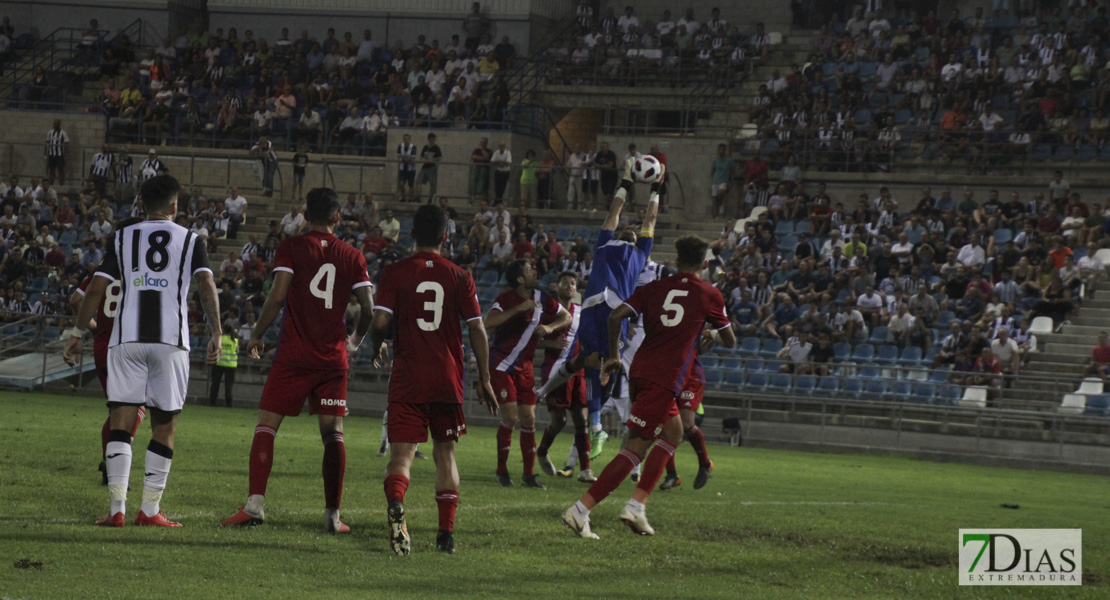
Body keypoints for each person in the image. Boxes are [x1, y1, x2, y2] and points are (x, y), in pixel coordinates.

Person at [65, 175, 222, 527]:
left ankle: (116, 509)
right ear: (175, 206)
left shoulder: (122, 237)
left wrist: (78, 331)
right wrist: (217, 331)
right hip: (171, 343)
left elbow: (95, 290)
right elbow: (206, 283)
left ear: (141, 205)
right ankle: (149, 510)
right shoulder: (191, 239)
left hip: (126, 341)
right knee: (163, 427)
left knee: (121, 423)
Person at [562, 236, 736, 538]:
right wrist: (710, 332)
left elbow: (616, 315)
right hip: (664, 377)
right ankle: (582, 510)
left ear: (676, 262)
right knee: (636, 448)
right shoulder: (709, 294)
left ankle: (637, 505)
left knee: (673, 432)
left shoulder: (653, 288)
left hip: (641, 369)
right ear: (705, 264)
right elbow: (730, 339)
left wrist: (615, 356)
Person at [222, 188, 373, 534]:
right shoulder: (353, 255)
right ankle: (333, 517)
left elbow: (277, 296)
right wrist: (354, 341)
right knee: (333, 433)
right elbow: (367, 307)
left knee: (267, 425)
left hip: (293, 354)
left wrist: (257, 334)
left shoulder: (291, 247)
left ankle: (255, 506)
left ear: (305, 215)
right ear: (337, 217)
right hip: (332, 357)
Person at [368, 203, 498, 555]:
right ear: (445, 237)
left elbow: (379, 323)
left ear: (411, 235)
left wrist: (376, 346)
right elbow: (478, 330)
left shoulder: (395, 273)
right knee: (445, 455)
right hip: (446, 379)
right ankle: (445, 536)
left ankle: (397, 503)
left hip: (409, 377)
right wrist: (485, 378)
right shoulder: (460, 276)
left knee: (401, 457)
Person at [537, 158, 661, 459]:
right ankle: (593, 424)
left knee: (596, 363)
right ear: (620, 235)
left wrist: (657, 188)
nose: (630, 231)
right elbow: (615, 213)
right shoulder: (606, 243)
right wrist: (627, 181)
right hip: (595, 306)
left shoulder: (639, 252)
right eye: (626, 231)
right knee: (591, 361)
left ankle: (595, 424)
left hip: (615, 310)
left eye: (632, 232)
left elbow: (650, 220)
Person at [68, 217, 146, 486]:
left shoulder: (105, 266)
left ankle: (110, 460)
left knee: (118, 409)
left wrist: (92, 327)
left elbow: (77, 299)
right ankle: (114, 456)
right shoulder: (142, 268)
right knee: (136, 409)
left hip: (102, 346)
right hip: (128, 346)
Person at [485, 259, 571, 488]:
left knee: (529, 419)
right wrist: (518, 309)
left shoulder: (543, 298)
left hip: (525, 369)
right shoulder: (506, 299)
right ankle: (502, 471)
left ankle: (528, 474)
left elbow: (566, 317)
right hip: (502, 365)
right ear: (520, 279)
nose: (535, 270)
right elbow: (488, 322)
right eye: (530, 269)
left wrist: (551, 329)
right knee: (511, 417)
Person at [535, 271, 593, 482]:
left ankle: (585, 470)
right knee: (559, 420)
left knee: (581, 419)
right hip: (554, 368)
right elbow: (533, 340)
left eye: (573, 283)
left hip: (578, 371)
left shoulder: (580, 311)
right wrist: (550, 343)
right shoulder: (549, 313)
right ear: (557, 287)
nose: (570, 286)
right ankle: (541, 451)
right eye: (566, 283)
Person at [209, 320, 239, 407]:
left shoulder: (219, 339)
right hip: (231, 365)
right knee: (228, 385)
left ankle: (213, 401)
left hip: (218, 363)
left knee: (215, 383)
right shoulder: (235, 340)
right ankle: (228, 402)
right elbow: (237, 352)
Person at [415, 133, 441, 203]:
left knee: (432, 184)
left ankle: (430, 198)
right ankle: (418, 197)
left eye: (434, 139)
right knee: (418, 181)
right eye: (432, 139)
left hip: (432, 167)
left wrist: (432, 160)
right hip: (425, 167)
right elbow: (421, 156)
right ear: (429, 139)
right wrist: (424, 160)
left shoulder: (436, 148)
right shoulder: (425, 147)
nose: (433, 141)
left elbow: (439, 157)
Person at [45, 120, 69, 185]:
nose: (55, 125)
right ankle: (51, 183)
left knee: (60, 170)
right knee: (51, 170)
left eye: (57, 124)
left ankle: (61, 184)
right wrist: (45, 153)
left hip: (59, 154)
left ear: (59, 124)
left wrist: (65, 154)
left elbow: (66, 143)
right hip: (51, 154)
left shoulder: (63, 133)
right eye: (54, 123)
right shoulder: (50, 132)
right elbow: (47, 143)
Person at [396, 133, 417, 202]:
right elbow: (399, 157)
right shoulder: (400, 146)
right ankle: (403, 197)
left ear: (410, 140)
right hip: (402, 169)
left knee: (411, 185)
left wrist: (403, 159)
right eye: (405, 139)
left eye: (407, 139)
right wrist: (406, 159)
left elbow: (412, 159)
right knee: (401, 184)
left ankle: (411, 198)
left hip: (411, 169)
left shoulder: (413, 147)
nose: (406, 140)